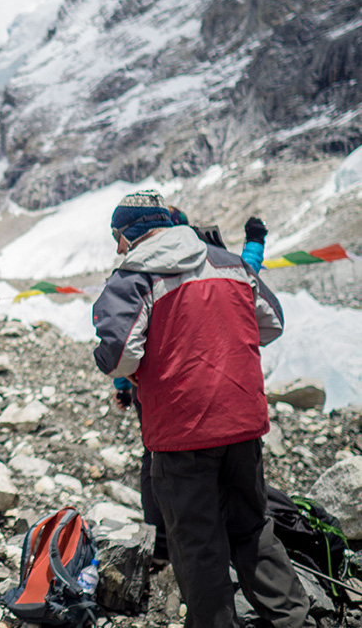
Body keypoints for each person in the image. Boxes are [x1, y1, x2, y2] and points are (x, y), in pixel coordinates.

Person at [93, 190, 313, 628]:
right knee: (251, 527)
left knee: (197, 543)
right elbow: (271, 322)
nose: (118, 247)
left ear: (132, 233)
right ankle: (294, 619)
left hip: (181, 431)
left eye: (117, 236)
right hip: (243, 423)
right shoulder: (230, 263)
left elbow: (119, 356)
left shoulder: (134, 274)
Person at [117, 211, 270, 561]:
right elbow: (251, 281)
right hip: (226, 383)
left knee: (159, 458)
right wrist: (256, 242)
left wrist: (124, 384)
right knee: (229, 464)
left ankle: (163, 542)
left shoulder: (148, 266)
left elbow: (128, 334)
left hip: (162, 386)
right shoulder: (215, 262)